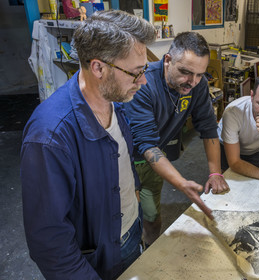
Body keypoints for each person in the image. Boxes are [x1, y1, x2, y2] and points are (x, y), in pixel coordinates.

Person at [20, 10, 155, 279]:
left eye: (145, 70)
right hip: (93, 263)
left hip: (128, 234)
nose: (144, 81)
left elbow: (120, 159)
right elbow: (50, 243)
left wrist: (135, 199)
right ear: (98, 68)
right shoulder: (50, 137)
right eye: (136, 72)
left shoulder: (116, 101)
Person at [124, 32, 229, 246]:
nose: (192, 82)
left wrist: (216, 172)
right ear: (168, 60)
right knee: (126, 227)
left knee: (153, 219)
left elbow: (209, 128)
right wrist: (181, 183)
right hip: (123, 162)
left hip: (154, 162)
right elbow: (146, 143)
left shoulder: (197, 85)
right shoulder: (144, 83)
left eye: (200, 74)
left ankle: (148, 257)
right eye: (185, 72)